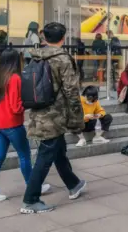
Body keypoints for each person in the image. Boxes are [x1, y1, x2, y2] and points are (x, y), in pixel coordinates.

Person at [21, 22, 86, 214]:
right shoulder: (63, 59)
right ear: (63, 38)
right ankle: (30, 199)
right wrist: (77, 119)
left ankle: (73, 184)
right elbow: (71, 92)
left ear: (44, 37)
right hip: (56, 115)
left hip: (38, 113)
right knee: (45, 156)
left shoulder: (36, 56)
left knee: (58, 150)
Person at [0, 48, 51, 205]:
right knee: (24, 156)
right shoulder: (15, 79)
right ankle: (33, 187)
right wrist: (27, 106)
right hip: (12, 125)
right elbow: (15, 107)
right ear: (16, 61)